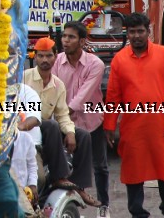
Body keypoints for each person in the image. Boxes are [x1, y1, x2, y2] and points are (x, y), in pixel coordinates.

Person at [104, 12, 164, 218]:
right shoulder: (120, 60)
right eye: (132, 32)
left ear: (148, 31)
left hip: (162, 126)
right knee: (134, 173)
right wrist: (109, 125)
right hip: (134, 129)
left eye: (140, 31)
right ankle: (137, 213)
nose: (136, 36)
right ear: (127, 34)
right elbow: (113, 96)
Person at [23, 36, 100, 207]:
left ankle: (79, 185)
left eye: (49, 56)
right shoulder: (24, 78)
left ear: (56, 56)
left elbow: (63, 114)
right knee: (50, 124)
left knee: (83, 135)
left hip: (48, 128)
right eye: (41, 56)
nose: (44, 60)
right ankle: (59, 177)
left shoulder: (58, 84)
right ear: (34, 57)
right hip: (28, 128)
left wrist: (71, 133)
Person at [56, 20, 110, 215]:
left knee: (100, 166)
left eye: (71, 37)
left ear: (82, 42)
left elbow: (82, 97)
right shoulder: (56, 61)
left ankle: (104, 205)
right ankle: (73, 203)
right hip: (66, 123)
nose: (65, 41)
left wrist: (62, 114)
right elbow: (53, 90)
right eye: (64, 36)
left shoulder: (95, 64)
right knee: (66, 166)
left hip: (91, 121)